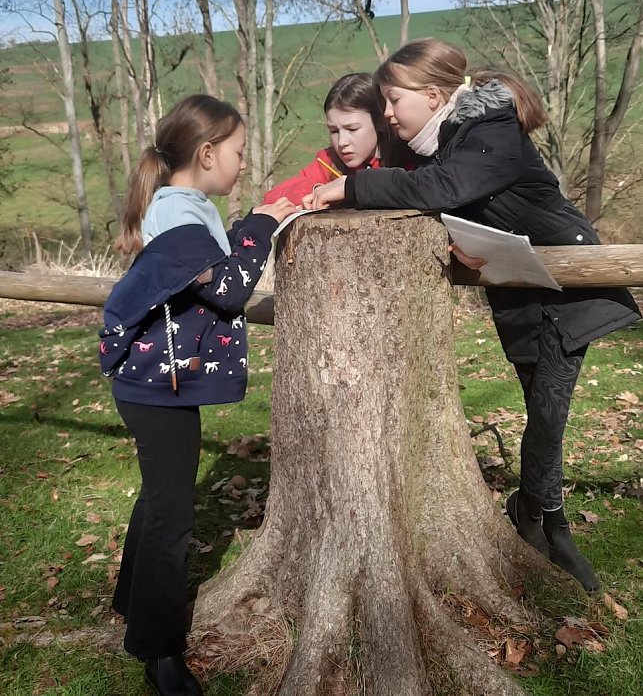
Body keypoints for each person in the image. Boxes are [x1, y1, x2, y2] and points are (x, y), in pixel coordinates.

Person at [304, 38, 641, 593]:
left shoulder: (490, 131)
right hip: (521, 290)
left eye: (393, 100)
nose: (386, 113)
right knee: (540, 409)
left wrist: (354, 184)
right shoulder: (446, 141)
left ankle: (547, 524)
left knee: (549, 415)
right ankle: (536, 516)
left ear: (433, 94)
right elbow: (452, 203)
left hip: (566, 288)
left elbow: (448, 187)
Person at [99, 95, 296, 695]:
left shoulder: (182, 208)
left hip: (155, 384)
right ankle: (159, 651)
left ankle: (130, 601)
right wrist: (264, 225)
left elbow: (207, 269)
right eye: (238, 152)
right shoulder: (184, 220)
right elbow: (230, 289)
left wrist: (241, 229)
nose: (242, 163)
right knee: (172, 515)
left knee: (160, 498)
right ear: (207, 153)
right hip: (157, 389)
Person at [263, 71, 410, 205]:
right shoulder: (328, 161)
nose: (341, 142)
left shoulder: (407, 158)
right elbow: (272, 198)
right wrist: (317, 190)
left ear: (379, 122)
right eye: (334, 131)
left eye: (352, 129)